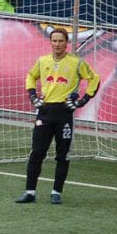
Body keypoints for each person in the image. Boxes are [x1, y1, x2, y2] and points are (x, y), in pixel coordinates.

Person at [16, 27, 101, 204]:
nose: (57, 44)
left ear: (66, 43)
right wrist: (32, 95)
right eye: (54, 41)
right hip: (45, 112)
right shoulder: (42, 61)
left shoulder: (76, 63)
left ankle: (56, 192)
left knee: (62, 155)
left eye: (61, 41)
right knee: (37, 153)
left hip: (64, 114)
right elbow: (31, 76)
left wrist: (83, 100)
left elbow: (95, 79)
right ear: (50, 42)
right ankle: (30, 192)